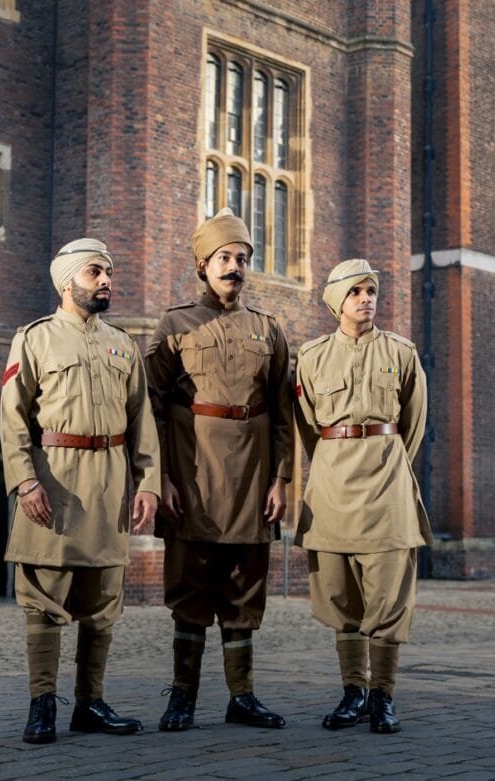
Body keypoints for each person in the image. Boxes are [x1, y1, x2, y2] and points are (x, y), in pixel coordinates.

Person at [0, 238, 161, 744]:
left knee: (103, 601)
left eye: (108, 273)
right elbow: (13, 417)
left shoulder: (123, 345)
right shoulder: (34, 339)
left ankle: (90, 703)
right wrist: (24, 480)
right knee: (44, 599)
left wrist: (148, 484)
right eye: (96, 272)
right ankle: (42, 705)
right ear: (68, 280)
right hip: (54, 482)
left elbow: (142, 421)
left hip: (110, 483)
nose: (107, 281)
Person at [144, 208, 293, 731]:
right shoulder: (175, 324)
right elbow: (152, 407)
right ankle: (182, 695)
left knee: (244, 588)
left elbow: (282, 413)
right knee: (190, 587)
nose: (235, 267)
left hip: (252, 477)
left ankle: (242, 696)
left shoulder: (269, 330)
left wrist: (280, 480)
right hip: (192, 477)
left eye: (243, 258)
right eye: (225, 258)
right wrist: (159, 477)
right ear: (203, 265)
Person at [293, 259, 430, 735]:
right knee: (340, 596)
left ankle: (383, 696)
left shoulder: (402, 351)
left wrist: (386, 459)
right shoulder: (310, 357)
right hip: (331, 486)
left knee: (389, 596)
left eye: (371, 290)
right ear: (336, 301)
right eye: (355, 292)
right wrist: (333, 461)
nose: (366, 299)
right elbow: (308, 427)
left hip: (387, 485)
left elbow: (412, 425)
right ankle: (353, 691)